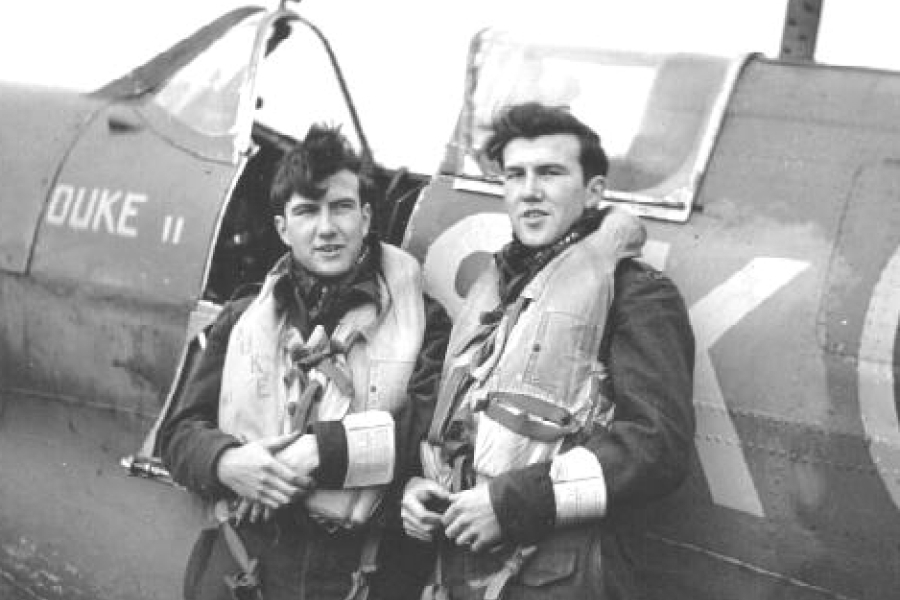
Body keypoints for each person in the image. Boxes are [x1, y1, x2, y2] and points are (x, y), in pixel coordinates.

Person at [400, 102, 695, 600]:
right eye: (516, 175)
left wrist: (513, 504)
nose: (530, 191)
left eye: (551, 173)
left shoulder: (637, 293)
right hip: (456, 569)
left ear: (594, 190)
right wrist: (417, 488)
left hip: (559, 576)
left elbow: (656, 446)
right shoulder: (496, 288)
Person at [159, 124, 450, 600]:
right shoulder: (242, 316)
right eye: (307, 211)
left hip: (356, 570)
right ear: (282, 228)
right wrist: (229, 463)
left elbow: (424, 438)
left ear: (366, 215)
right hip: (244, 563)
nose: (327, 228)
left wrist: (320, 451)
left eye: (341, 207)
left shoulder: (425, 322)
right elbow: (180, 433)